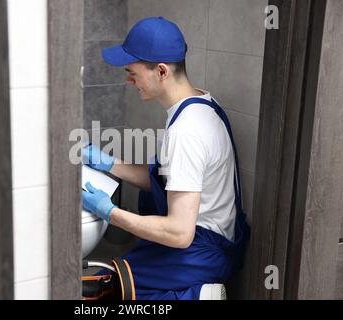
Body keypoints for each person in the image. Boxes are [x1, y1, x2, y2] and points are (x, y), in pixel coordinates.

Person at [82, 16, 250, 300]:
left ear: (161, 71)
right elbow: (165, 179)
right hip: (207, 240)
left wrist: (110, 213)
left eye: (132, 72)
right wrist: (108, 163)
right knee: (110, 279)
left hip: (201, 250)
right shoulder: (200, 105)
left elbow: (179, 232)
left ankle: (198, 296)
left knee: (101, 291)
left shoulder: (187, 131)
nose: (128, 79)